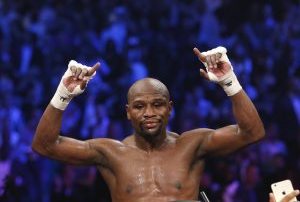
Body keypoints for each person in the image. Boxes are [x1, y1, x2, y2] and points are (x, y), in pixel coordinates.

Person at [32, 46, 265, 202]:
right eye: (139, 106)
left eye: (157, 104)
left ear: (170, 109)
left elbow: (251, 132)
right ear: (128, 113)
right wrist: (64, 94)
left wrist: (229, 82)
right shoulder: (110, 153)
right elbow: (45, 145)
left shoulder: (193, 144)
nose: (149, 113)